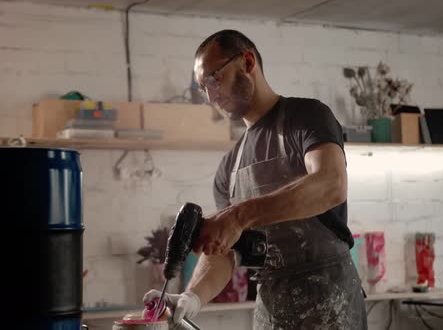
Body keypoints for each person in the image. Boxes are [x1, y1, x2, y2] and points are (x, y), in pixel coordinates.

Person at [144, 29, 367, 329]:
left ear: (247, 62)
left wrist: (238, 216)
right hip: (271, 310)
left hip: (330, 303)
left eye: (214, 78)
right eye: (202, 87)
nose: (210, 96)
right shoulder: (228, 167)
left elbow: (331, 183)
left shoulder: (307, 116)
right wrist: (191, 297)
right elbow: (225, 252)